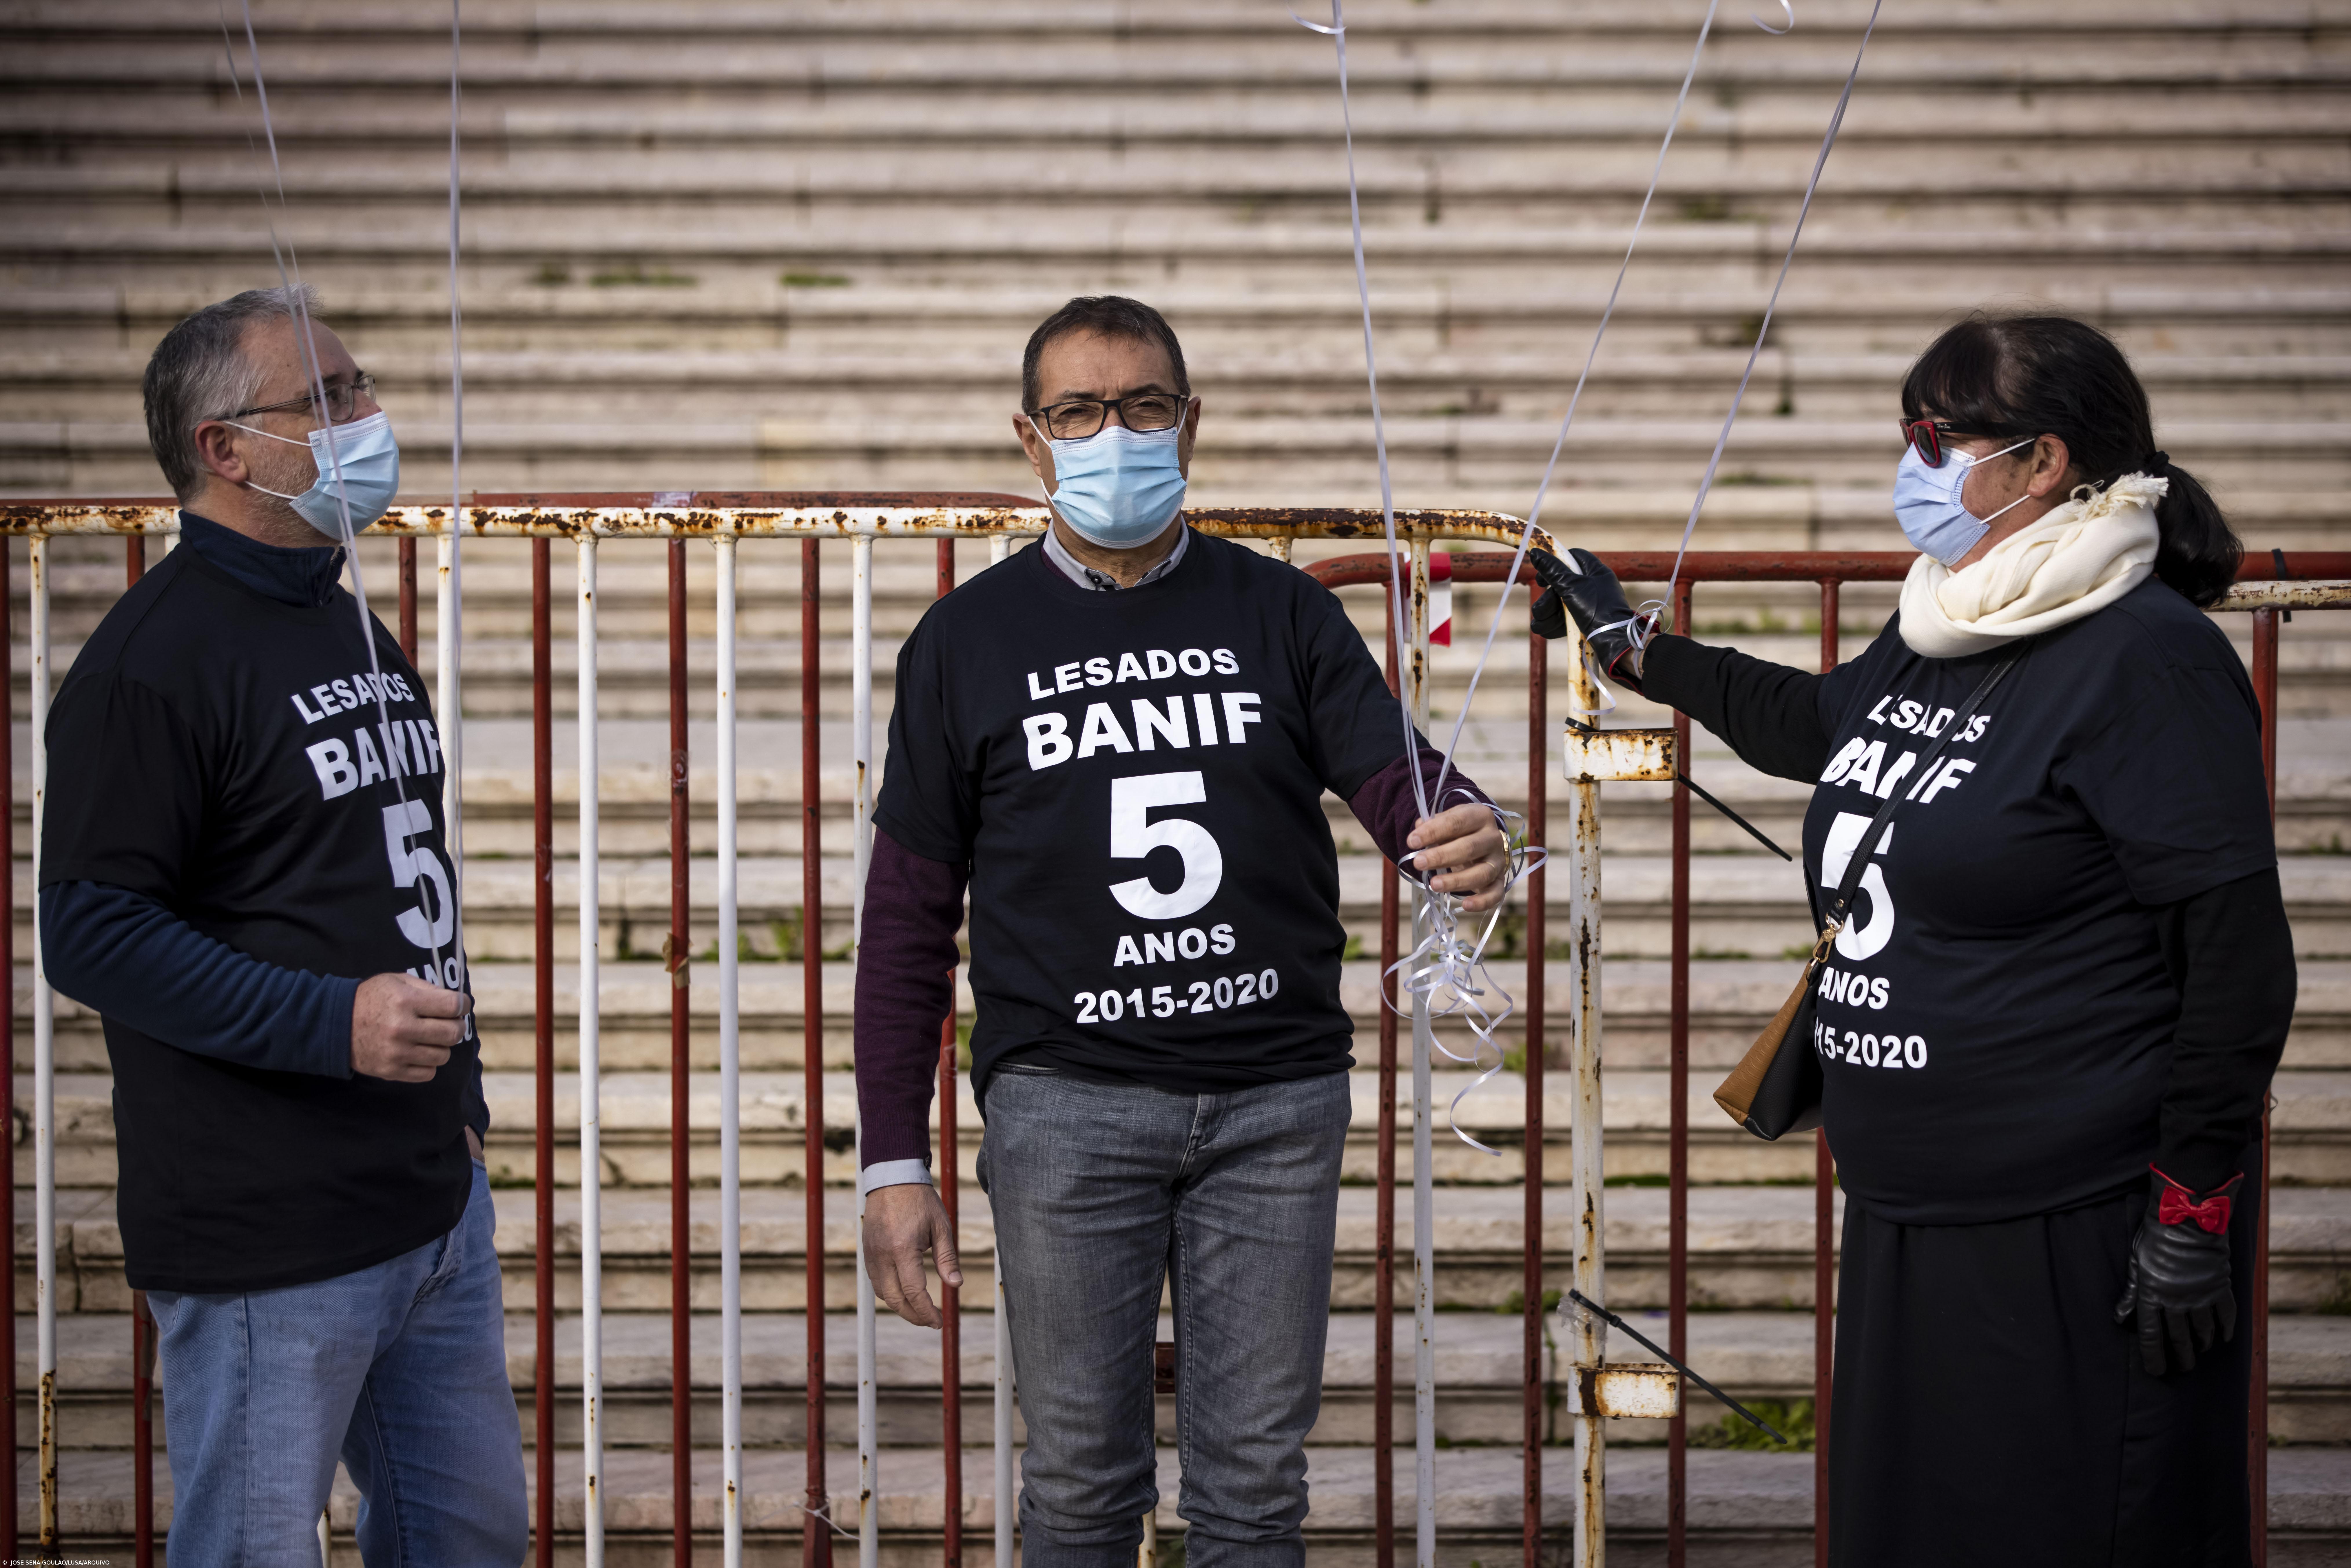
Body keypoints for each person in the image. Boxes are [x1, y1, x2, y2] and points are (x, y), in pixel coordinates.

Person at [1532, 311, 2296, 1568]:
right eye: (1908, 432)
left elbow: (2237, 952)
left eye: (1936, 435)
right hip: (1910, 1210)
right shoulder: (1955, 616)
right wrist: (1641, 653)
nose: (1913, 461)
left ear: (2043, 464)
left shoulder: (2142, 657)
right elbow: (1827, 723)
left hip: (2077, 1224)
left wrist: (2193, 1203)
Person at [854, 295, 1512, 1567]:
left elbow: (1399, 781)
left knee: (1255, 1495)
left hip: (1272, 1104)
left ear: (1190, 422)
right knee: (1081, 1491)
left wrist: (1467, 830)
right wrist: (892, 1159)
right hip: (1067, 1107)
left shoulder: (1282, 613)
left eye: (1144, 406)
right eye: (1080, 411)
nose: (1114, 433)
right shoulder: (964, 643)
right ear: (1030, 441)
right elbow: (906, 922)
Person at [38, 286, 526, 1562]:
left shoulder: (346, 614)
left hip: (424, 1210)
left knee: (468, 1539)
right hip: (269, 1235)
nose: (369, 417)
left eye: (360, 386)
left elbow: (392, 867)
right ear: (224, 449)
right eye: (327, 398)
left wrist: (458, 1101)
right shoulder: (152, 664)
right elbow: (89, 927)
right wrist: (333, 1020)